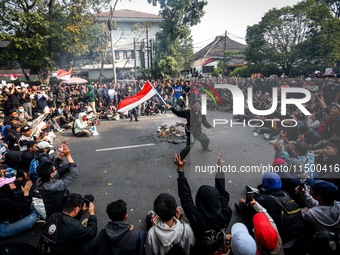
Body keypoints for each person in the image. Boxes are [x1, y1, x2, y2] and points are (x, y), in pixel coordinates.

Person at [175, 151, 232, 254]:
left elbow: (186, 197)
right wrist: (219, 167)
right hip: (216, 245)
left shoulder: (196, 217)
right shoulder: (226, 212)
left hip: (199, 248)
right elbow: (222, 192)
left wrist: (181, 170)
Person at [36, 141, 78, 217]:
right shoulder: (57, 185)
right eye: (55, 170)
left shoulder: (39, 181)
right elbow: (74, 173)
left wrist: (61, 155)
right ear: (51, 175)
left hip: (49, 209)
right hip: (59, 211)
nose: (56, 169)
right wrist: (68, 155)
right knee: (78, 198)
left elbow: (53, 166)